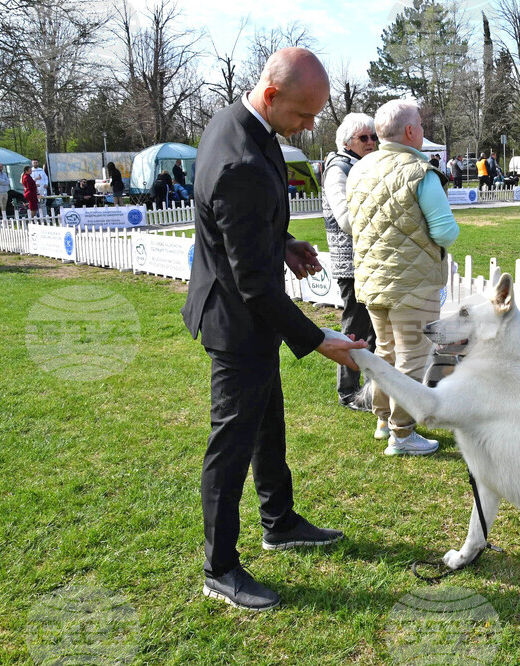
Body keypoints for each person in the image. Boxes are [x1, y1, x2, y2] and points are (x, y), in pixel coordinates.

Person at [181, 47, 365, 612]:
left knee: (269, 424)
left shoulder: (239, 122)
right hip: (237, 321)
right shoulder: (239, 158)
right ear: (271, 95)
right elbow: (254, 286)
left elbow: (233, 224)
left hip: (247, 309)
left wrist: (281, 242)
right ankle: (220, 568)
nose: (311, 128)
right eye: (305, 115)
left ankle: (278, 520)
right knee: (231, 443)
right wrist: (321, 339)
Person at [346, 99, 459, 456]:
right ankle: (402, 432)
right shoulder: (420, 172)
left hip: (372, 281)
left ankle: (383, 419)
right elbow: (445, 233)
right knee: (413, 358)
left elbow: (352, 224)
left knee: (385, 353)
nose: (423, 131)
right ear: (410, 131)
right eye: (421, 126)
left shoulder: (360, 170)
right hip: (413, 284)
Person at [322, 112, 378, 411]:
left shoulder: (361, 164)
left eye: (373, 137)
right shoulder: (338, 168)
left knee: (372, 330)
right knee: (355, 329)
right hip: (352, 263)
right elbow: (346, 219)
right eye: (364, 138)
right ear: (347, 142)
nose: (371, 142)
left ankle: (369, 390)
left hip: (369, 261)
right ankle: (348, 392)